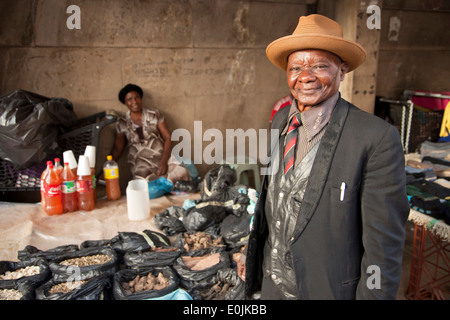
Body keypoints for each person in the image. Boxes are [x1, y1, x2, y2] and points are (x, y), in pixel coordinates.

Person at [239, 14, 410, 300]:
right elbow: (273, 201)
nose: (305, 76)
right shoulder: (281, 120)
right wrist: (252, 250)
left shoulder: (375, 138)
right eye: (295, 67)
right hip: (272, 286)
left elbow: (384, 252)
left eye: (319, 66)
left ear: (342, 70)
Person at [111, 83, 189, 182]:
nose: (134, 101)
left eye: (137, 97)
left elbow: (168, 137)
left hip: (161, 157)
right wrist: (104, 169)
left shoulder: (154, 114)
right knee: (145, 184)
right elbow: (117, 149)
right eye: (129, 99)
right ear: (125, 103)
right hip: (140, 164)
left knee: (182, 172)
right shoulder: (122, 123)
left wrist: (164, 162)